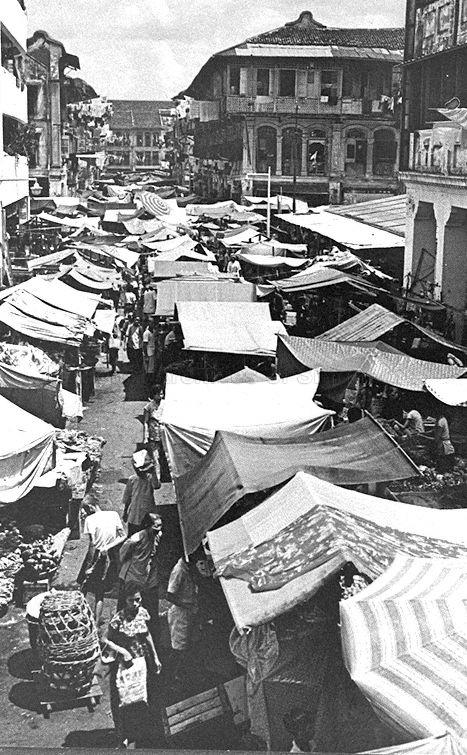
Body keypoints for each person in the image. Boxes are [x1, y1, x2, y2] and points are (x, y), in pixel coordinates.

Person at [105, 582, 162, 748]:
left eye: (138, 600)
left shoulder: (143, 613)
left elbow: (147, 635)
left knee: (140, 698)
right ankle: (122, 735)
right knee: (123, 699)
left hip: (141, 662)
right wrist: (123, 651)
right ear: (125, 600)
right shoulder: (118, 619)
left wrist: (155, 658)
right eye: (131, 601)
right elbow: (106, 640)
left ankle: (139, 733)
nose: (135, 604)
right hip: (123, 665)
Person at [78, 498, 126, 626]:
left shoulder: (89, 520)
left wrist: (90, 566)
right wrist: (109, 547)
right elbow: (123, 536)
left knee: (83, 587)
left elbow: (92, 544)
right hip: (111, 557)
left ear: (91, 507)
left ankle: (78, 616)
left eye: (85, 510)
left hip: (96, 557)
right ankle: (96, 621)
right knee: (100, 592)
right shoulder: (114, 515)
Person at [118, 512, 162, 643]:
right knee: (128, 606)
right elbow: (123, 554)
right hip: (134, 577)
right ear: (148, 526)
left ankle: (152, 637)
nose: (159, 529)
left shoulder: (158, 535)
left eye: (160, 526)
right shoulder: (136, 538)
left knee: (151, 607)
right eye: (156, 526)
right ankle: (123, 636)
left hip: (149, 577)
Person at [166, 557, 199, 684]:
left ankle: (182, 674)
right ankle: (172, 676)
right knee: (179, 648)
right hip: (181, 613)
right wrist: (188, 606)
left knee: (188, 645)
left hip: (190, 610)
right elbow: (169, 595)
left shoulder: (188, 567)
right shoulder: (179, 570)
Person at [122, 450, 160, 536]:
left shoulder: (150, 478)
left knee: (147, 535)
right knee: (133, 536)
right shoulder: (132, 479)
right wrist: (125, 512)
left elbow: (156, 485)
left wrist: (153, 472)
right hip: (135, 513)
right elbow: (128, 497)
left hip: (147, 512)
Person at [143, 386, 163, 479]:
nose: (161, 396)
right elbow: (145, 422)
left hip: (164, 434)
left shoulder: (165, 405)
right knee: (155, 458)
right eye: (159, 394)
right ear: (154, 395)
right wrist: (145, 436)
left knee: (165, 457)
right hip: (153, 435)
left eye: (162, 394)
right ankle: (157, 478)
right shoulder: (148, 407)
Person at [433, 406, 456, 471]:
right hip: (445, 442)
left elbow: (437, 437)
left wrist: (425, 437)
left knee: (443, 460)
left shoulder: (440, 422)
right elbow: (434, 430)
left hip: (443, 443)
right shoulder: (443, 419)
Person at [142, 319, 156, 384]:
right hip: (148, 353)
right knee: (148, 370)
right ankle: (147, 383)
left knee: (151, 369)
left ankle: (150, 382)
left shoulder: (153, 331)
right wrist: (146, 355)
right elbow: (144, 345)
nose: (153, 324)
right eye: (151, 323)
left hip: (152, 352)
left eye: (153, 323)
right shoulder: (146, 333)